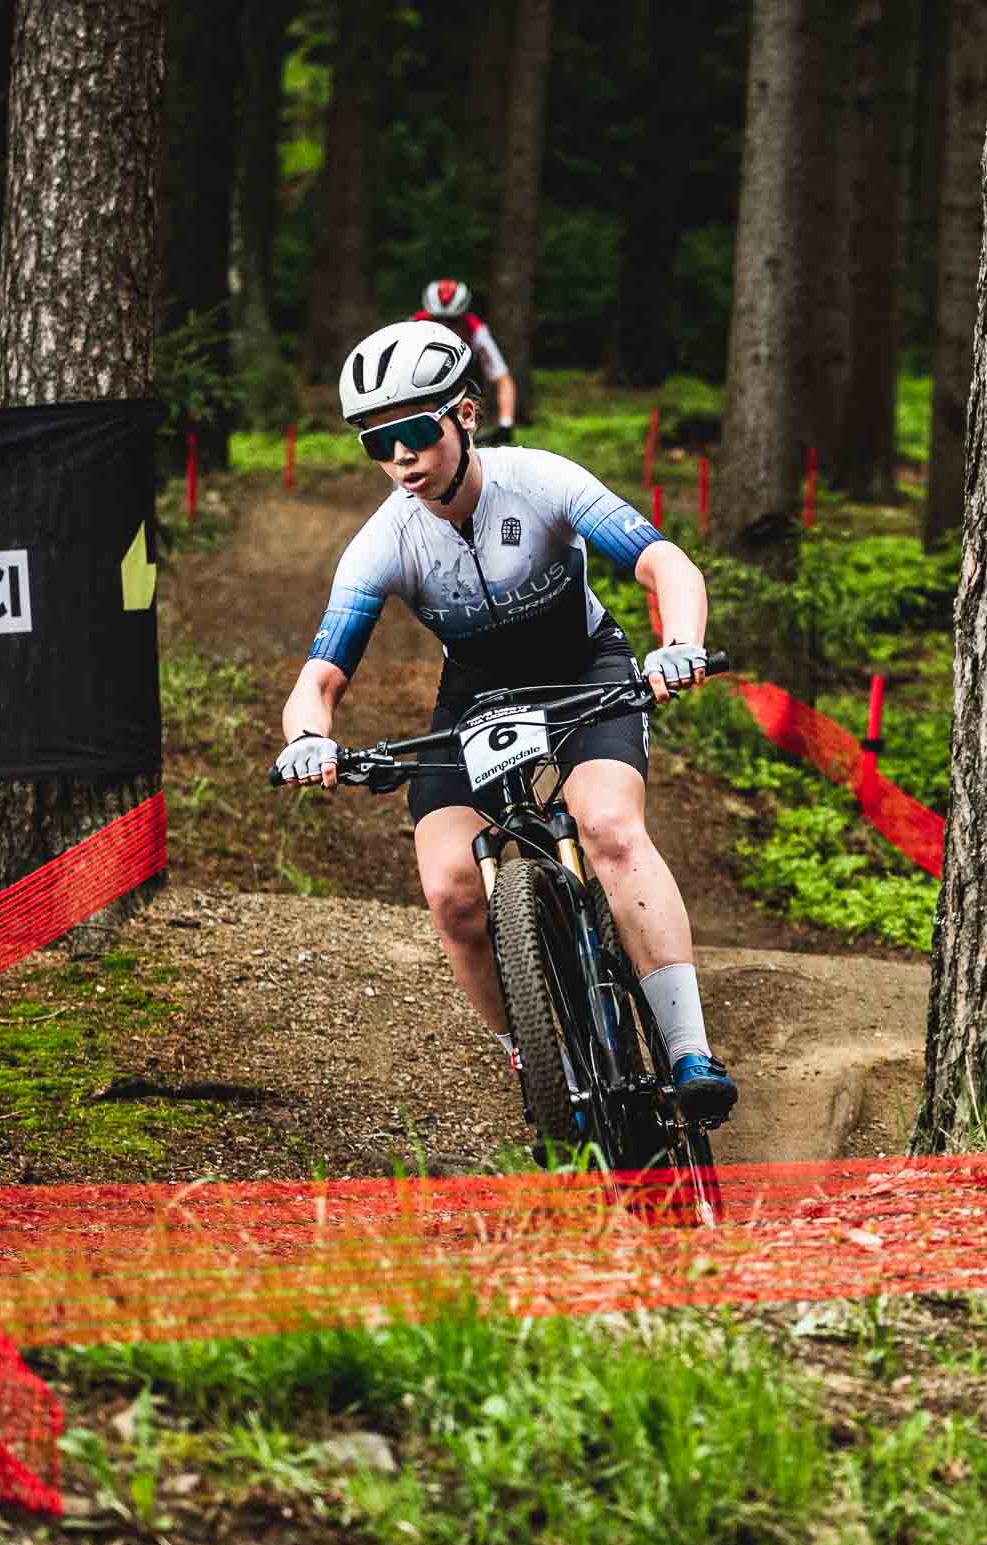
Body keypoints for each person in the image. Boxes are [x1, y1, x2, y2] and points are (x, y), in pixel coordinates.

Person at [272, 319, 737, 1122]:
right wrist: (308, 738)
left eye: (417, 433)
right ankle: (533, 1054)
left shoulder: (541, 480)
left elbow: (664, 562)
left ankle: (690, 1049)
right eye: (377, 443)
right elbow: (321, 676)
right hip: (478, 697)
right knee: (451, 888)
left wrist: (679, 644)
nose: (400, 458)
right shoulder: (384, 540)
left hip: (581, 667)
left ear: (465, 415)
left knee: (608, 826)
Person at [414, 278, 522, 443]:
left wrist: (505, 424)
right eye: (437, 319)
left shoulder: (476, 330)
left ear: (463, 315)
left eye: (452, 321)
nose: (445, 327)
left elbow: (502, 379)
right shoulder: (413, 326)